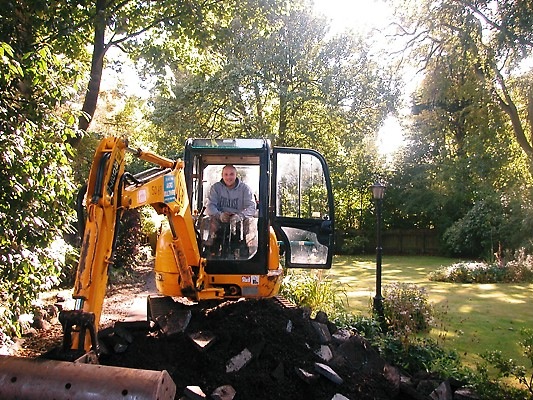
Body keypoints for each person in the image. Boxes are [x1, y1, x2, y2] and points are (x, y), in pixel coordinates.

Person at [204, 165, 256, 250]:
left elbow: (251, 207)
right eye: (226, 174)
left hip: (240, 221)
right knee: (209, 220)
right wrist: (220, 215)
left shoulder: (245, 189)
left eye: (231, 174)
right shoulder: (216, 188)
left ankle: (251, 250)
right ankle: (208, 249)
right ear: (222, 175)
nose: (228, 177)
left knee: (251, 223)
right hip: (220, 220)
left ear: (236, 175)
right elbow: (210, 206)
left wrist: (239, 216)